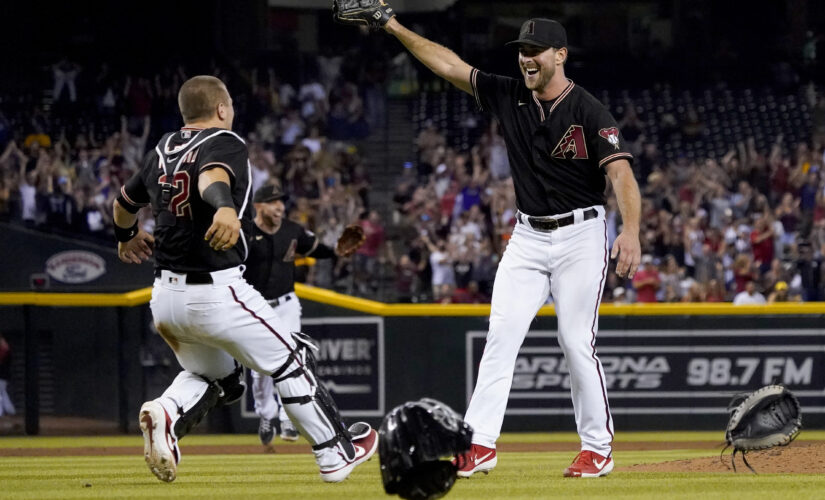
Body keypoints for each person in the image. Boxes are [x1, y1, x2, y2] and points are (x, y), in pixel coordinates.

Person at [372, 12, 641, 478]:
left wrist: (631, 230)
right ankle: (479, 444)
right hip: (527, 236)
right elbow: (449, 65)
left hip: (581, 234)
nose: (525, 58)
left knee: (576, 341)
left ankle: (597, 448)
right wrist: (393, 25)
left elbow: (621, 173)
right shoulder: (508, 93)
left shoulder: (589, 110)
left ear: (560, 55)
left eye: (535, 51)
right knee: (500, 337)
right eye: (521, 50)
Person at [112, 75, 377, 483]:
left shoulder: (162, 148)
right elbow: (211, 178)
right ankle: (336, 453)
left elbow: (124, 203)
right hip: (215, 291)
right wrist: (222, 208)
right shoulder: (226, 140)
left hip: (165, 296)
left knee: (219, 378)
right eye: (230, 104)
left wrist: (126, 236)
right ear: (221, 108)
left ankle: (166, 411)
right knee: (293, 358)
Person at [244, 182, 346, 447]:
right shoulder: (245, 232)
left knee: (294, 360)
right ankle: (266, 415)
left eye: (281, 201)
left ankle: (288, 417)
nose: (279, 206)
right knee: (260, 371)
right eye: (273, 201)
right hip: (256, 308)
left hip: (287, 304)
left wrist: (336, 251)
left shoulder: (292, 230)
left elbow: (315, 248)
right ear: (258, 206)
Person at [0, 333, 15, 418]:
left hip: (2, 375)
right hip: (3, 375)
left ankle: (0, 412)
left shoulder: (5, 351)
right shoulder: (5, 351)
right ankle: (11, 410)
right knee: (3, 393)